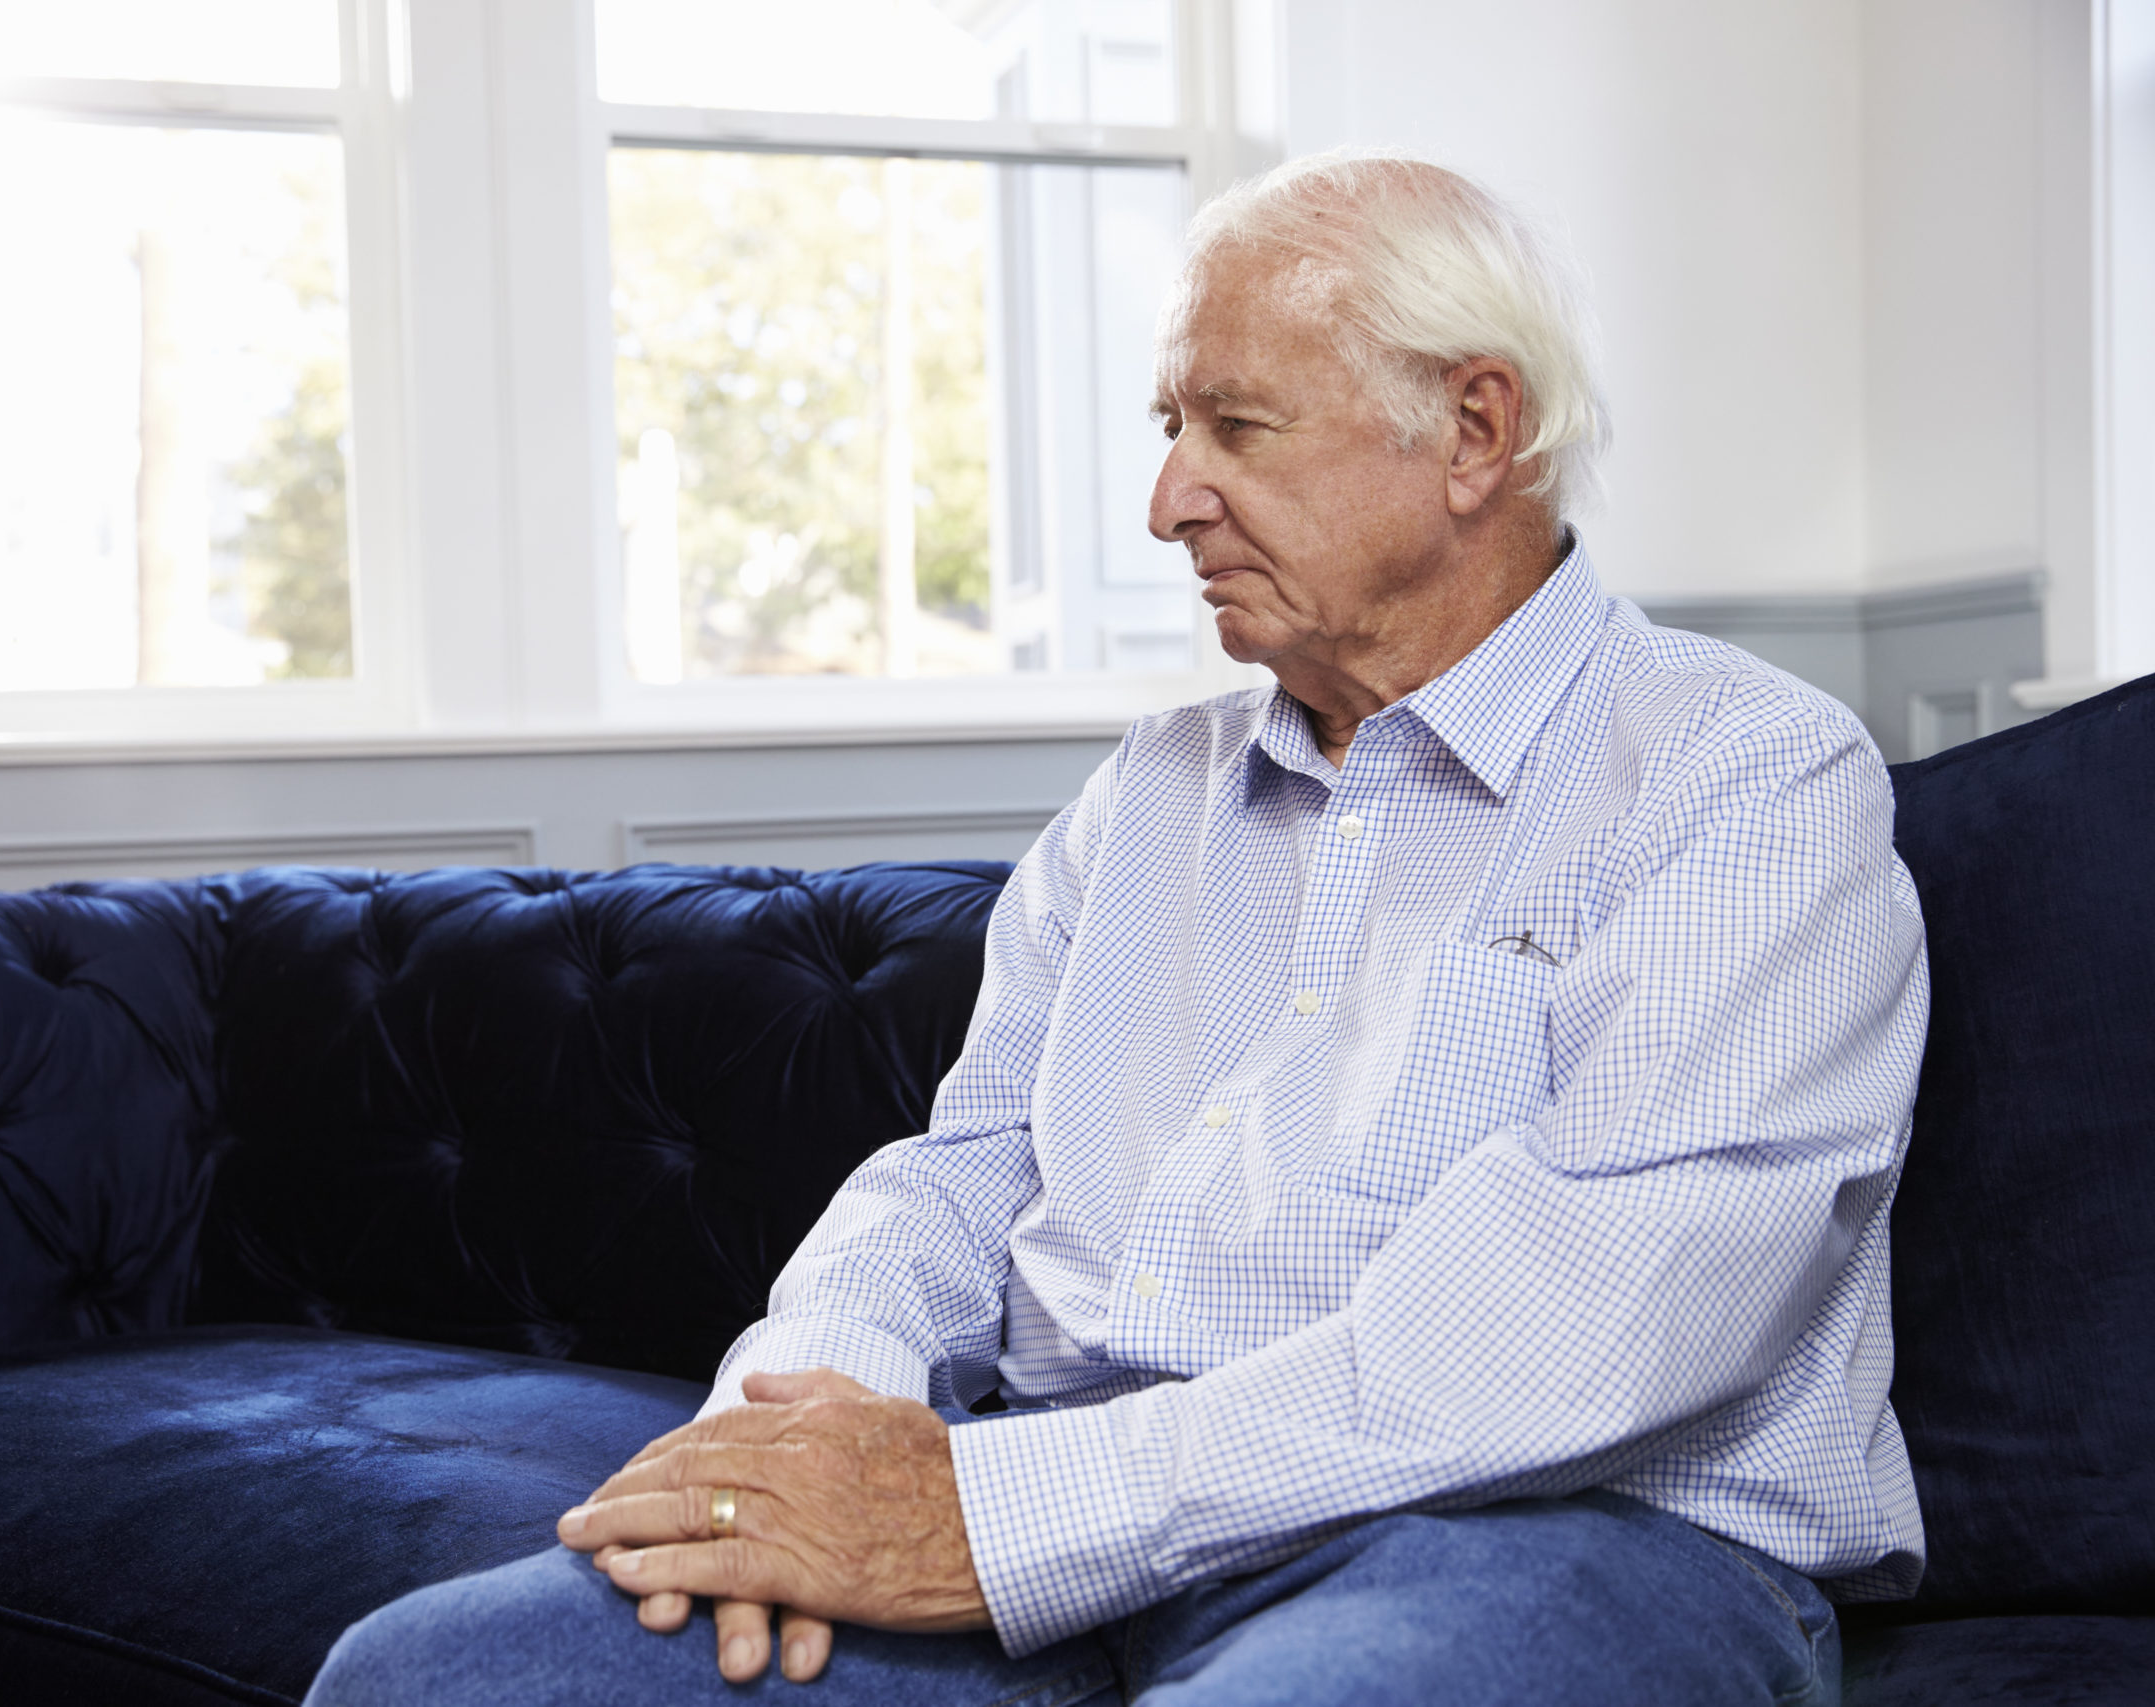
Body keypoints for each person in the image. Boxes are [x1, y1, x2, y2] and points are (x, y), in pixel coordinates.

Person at [306, 150, 1928, 1707]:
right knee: (426, 1680)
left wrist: (993, 1523)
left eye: (1236, 425)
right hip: (1059, 1514)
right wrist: (799, 1425)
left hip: (1544, 1537)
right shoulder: (1152, 792)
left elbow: (1581, 1335)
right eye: (1170, 425)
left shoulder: (1743, 780)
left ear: (1473, 429)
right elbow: (969, 1169)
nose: (1168, 502)